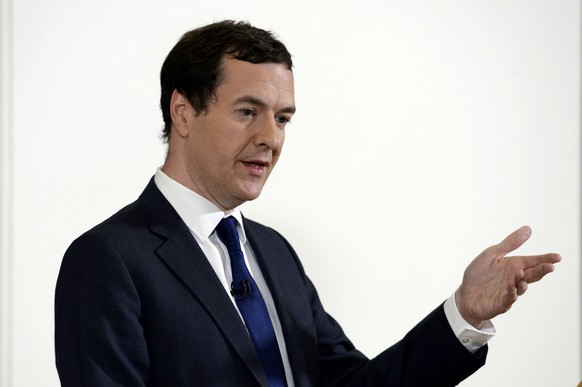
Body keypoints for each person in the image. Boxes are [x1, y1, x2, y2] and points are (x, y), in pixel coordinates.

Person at [54, 20, 560, 386]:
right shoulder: (107, 259)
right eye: (248, 111)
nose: (269, 138)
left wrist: (464, 314)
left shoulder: (274, 254)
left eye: (283, 118)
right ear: (184, 113)